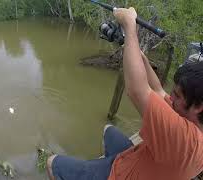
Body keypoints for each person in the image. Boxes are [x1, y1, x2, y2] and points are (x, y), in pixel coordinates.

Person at [46, 7, 203, 180]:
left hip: (119, 174)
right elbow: (157, 89)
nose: (171, 98)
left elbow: (137, 90)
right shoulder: (187, 120)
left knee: (52, 163)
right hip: (140, 160)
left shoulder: (187, 141)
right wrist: (136, 51)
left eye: (178, 96)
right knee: (108, 130)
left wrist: (129, 26)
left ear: (198, 107)